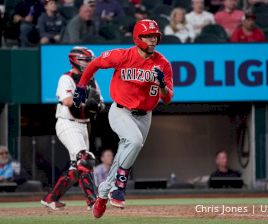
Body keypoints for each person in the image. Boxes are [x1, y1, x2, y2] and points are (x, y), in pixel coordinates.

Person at [75, 19, 174, 218]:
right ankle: (119, 187)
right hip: (121, 111)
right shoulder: (123, 55)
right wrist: (81, 86)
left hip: (145, 115)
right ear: (138, 37)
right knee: (135, 141)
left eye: (155, 36)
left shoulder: (163, 64)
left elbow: (168, 98)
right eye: (148, 36)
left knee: (124, 154)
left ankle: (102, 195)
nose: (152, 40)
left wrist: (162, 84)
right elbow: (95, 63)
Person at [41, 46, 105, 210]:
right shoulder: (67, 78)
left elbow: (101, 104)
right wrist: (87, 103)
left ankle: (51, 198)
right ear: (75, 60)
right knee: (85, 159)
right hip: (67, 122)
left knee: (77, 168)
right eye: (85, 60)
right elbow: (68, 101)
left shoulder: (92, 80)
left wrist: (96, 106)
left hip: (83, 126)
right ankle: (93, 201)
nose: (89, 63)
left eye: (90, 60)